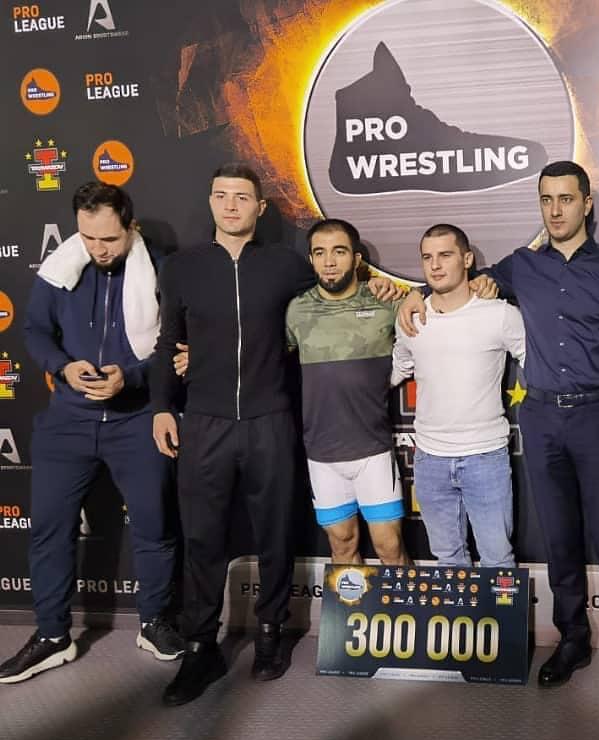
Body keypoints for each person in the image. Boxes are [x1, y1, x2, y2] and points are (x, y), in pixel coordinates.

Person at [398, 161, 599, 692]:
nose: (555, 210)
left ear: (586, 203)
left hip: (598, 415)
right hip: (540, 417)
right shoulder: (521, 265)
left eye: (566, 199)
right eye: (546, 199)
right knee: (559, 536)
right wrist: (412, 294)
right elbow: (455, 284)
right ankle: (572, 639)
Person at [0, 181, 183, 685]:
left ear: (131, 226)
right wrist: (63, 367)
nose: (98, 250)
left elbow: (173, 344)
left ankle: (154, 622)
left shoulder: (162, 269)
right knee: (49, 529)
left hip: (136, 418)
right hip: (68, 421)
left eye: (110, 239)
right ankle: (52, 637)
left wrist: (133, 376)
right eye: (88, 238)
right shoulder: (60, 270)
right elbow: (36, 332)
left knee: (153, 525)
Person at [150, 163, 315, 705]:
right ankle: (201, 647)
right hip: (206, 421)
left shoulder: (287, 266)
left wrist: (390, 293)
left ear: (260, 208)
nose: (230, 205)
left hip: (270, 419)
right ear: (210, 201)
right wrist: (161, 407)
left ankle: (270, 632)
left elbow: (333, 302)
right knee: (202, 538)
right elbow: (166, 342)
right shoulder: (182, 268)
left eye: (242, 197)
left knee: (274, 532)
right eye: (221, 195)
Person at [391, 224, 525, 568]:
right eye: (427, 257)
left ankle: (499, 610)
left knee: (498, 559)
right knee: (447, 558)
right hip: (429, 459)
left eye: (445, 255)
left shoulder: (500, 315)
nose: (435, 265)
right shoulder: (410, 319)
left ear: (467, 260)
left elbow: (539, 364)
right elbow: (398, 368)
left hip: (485, 457)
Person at [284, 219, 408, 565]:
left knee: (390, 548)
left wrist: (410, 293)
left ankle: (406, 605)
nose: (329, 262)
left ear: (356, 259)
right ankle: (351, 606)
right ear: (311, 259)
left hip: (373, 451)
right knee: (341, 546)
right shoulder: (296, 310)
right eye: (320, 253)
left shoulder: (384, 302)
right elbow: (261, 358)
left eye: (338, 252)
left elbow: (431, 319)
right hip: (322, 454)